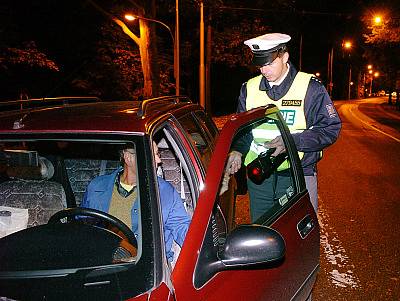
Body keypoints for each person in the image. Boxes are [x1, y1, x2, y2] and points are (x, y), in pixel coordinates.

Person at [227, 33, 341, 218]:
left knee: (299, 236)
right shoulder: (248, 88)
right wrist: (238, 150)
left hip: (298, 173)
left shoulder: (310, 87)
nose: (264, 70)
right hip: (259, 176)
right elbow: (244, 130)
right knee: (262, 233)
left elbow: (330, 128)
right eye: (260, 64)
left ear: (285, 57)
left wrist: (290, 142)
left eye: (269, 63)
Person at [81, 141, 191, 263]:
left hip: (148, 266)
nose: (159, 160)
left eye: (157, 154)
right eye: (152, 154)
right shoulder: (96, 186)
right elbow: (83, 225)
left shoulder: (165, 192)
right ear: (128, 158)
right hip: (99, 263)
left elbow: (182, 227)